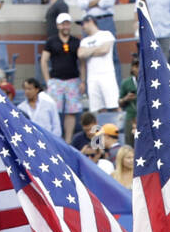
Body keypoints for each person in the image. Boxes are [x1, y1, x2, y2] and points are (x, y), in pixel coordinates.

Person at [42, 13, 83, 141]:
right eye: (63, 24)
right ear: (58, 25)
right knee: (54, 110)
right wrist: (48, 80)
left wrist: (83, 81)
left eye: (67, 23)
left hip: (73, 80)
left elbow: (82, 62)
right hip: (56, 80)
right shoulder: (51, 41)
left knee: (71, 112)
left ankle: (68, 140)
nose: (65, 26)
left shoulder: (76, 41)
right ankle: (55, 138)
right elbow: (44, 60)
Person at [78, 13, 118, 111]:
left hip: (107, 74)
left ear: (90, 21)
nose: (82, 27)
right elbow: (80, 55)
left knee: (113, 104)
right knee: (97, 108)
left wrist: (88, 51)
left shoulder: (106, 34)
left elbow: (104, 50)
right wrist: (83, 81)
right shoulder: (84, 41)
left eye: (83, 24)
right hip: (92, 77)